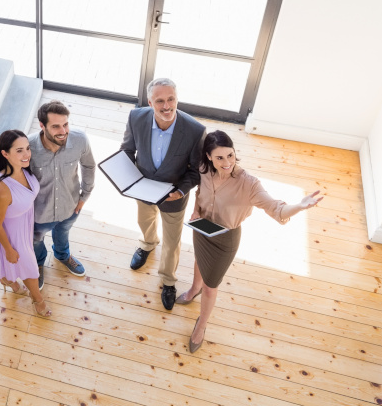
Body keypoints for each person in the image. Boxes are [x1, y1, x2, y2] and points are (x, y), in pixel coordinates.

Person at [178, 130, 323, 353]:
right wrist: (196, 211)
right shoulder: (203, 170)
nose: (227, 163)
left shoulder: (249, 184)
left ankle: (202, 324)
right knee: (199, 260)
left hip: (225, 239)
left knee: (211, 287)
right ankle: (193, 288)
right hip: (202, 228)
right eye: (220, 158)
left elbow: (277, 208)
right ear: (208, 157)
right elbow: (200, 193)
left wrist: (299, 206)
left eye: (230, 155)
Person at [121, 78, 206, 310]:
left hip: (174, 195)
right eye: (160, 101)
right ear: (150, 102)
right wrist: (129, 180)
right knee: (145, 221)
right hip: (143, 188)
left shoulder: (195, 130)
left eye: (171, 99)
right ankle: (147, 244)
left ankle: (168, 280)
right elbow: (127, 151)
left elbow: (195, 172)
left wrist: (180, 192)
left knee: (172, 241)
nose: (167, 106)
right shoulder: (136, 118)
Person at [0, 129, 51, 317]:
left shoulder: (24, 169)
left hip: (25, 222)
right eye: (19, 150)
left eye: (27, 148)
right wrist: (9, 249)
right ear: (5, 154)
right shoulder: (1, 189)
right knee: (30, 267)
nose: (27, 154)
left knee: (22, 263)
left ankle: (7, 279)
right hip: (11, 234)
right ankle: (38, 300)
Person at [29, 101, 95, 282]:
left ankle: (62, 255)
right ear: (42, 126)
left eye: (65, 124)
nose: (63, 131)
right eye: (56, 126)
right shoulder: (28, 147)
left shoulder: (80, 139)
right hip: (38, 213)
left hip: (70, 207)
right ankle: (38, 262)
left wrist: (84, 196)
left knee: (63, 233)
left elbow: (89, 166)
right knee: (35, 241)